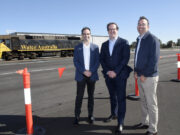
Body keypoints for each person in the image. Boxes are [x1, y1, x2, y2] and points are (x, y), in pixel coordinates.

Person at [100, 22, 132, 134]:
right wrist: (108, 71)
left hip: (120, 75)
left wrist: (116, 71)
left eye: (114, 29)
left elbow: (125, 59)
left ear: (117, 30)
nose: (112, 31)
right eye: (110, 29)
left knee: (121, 99)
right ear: (107, 31)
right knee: (112, 96)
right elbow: (102, 59)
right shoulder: (104, 45)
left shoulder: (124, 42)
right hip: (109, 75)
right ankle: (113, 114)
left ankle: (120, 122)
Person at [133, 16, 160, 135]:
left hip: (149, 77)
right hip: (139, 75)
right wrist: (135, 71)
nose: (141, 26)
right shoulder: (139, 39)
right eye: (139, 24)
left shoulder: (153, 39)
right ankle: (144, 122)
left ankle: (153, 129)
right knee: (143, 101)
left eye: (143, 24)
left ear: (148, 26)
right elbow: (137, 57)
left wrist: (144, 74)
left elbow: (154, 60)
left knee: (151, 103)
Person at [73, 27, 99, 126]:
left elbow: (97, 61)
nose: (86, 35)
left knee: (91, 96)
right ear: (82, 36)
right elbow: (76, 62)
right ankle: (77, 116)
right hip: (81, 75)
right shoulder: (77, 47)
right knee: (79, 96)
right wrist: (84, 71)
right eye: (84, 34)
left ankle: (90, 115)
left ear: (90, 35)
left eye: (88, 34)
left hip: (91, 76)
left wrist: (91, 71)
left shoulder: (95, 47)